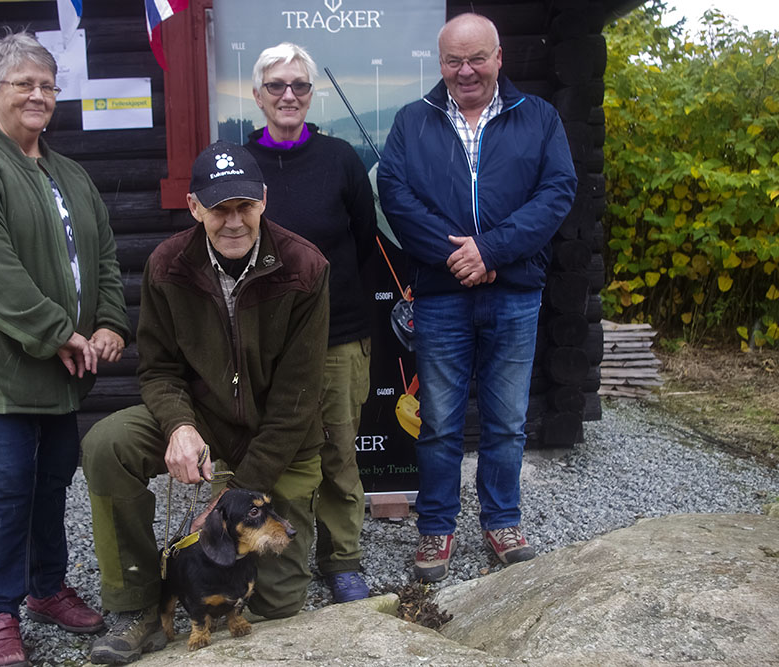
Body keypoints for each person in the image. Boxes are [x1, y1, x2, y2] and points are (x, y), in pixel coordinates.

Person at [0, 32, 131, 667]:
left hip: (62, 366)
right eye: (24, 84)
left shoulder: (68, 172)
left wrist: (108, 324)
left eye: (47, 84)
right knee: (4, 489)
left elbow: (101, 258)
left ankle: (45, 589)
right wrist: (57, 333)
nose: (39, 95)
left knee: (49, 483)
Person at [81, 141, 330, 665]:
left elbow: (298, 398)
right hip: (203, 420)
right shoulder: (167, 265)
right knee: (108, 444)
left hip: (279, 439)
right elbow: (159, 368)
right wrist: (178, 426)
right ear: (195, 207)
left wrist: (233, 494)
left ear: (264, 200)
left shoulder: (305, 267)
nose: (234, 221)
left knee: (279, 603)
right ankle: (137, 603)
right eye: (219, 209)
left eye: (245, 206)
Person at [376, 13, 577, 582]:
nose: (465, 71)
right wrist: (459, 257)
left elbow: (557, 191)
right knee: (438, 421)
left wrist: (492, 251)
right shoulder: (413, 121)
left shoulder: (538, 117)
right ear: (440, 63)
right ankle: (437, 528)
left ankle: (502, 519)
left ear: (498, 58)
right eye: (453, 61)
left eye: (476, 58)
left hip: (514, 293)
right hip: (441, 296)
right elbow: (395, 193)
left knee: (506, 420)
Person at [243, 42, 377, 603]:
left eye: (299, 84)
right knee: (275, 453)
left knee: (340, 454)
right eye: (276, 86)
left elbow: (366, 241)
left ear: (312, 91)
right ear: (258, 96)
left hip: (337, 335)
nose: (289, 95)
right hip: (260, 343)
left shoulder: (341, 158)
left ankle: (342, 559)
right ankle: (274, 555)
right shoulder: (239, 161)